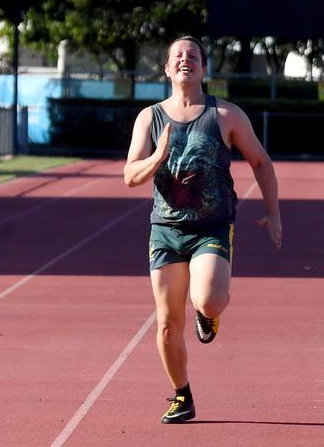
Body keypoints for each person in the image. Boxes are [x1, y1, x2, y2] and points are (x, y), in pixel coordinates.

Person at [123, 35, 282, 423]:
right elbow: (130, 175)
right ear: (166, 68)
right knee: (166, 324)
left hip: (212, 226)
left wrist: (273, 213)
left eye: (192, 55)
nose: (184, 60)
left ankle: (209, 316)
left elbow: (261, 162)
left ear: (204, 68)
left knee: (207, 299)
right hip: (165, 229)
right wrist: (158, 156)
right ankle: (182, 395)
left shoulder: (226, 115)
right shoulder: (149, 117)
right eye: (177, 55)